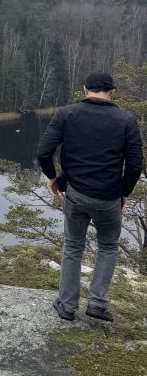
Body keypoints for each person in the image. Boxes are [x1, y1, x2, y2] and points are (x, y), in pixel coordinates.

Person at [37, 70, 144, 323]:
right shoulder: (126, 120)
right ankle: (97, 303)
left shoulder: (66, 113)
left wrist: (52, 177)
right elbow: (135, 166)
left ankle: (66, 305)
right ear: (112, 92)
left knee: (73, 246)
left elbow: (43, 152)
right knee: (108, 247)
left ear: (85, 90)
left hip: (75, 193)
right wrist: (124, 193)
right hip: (109, 198)